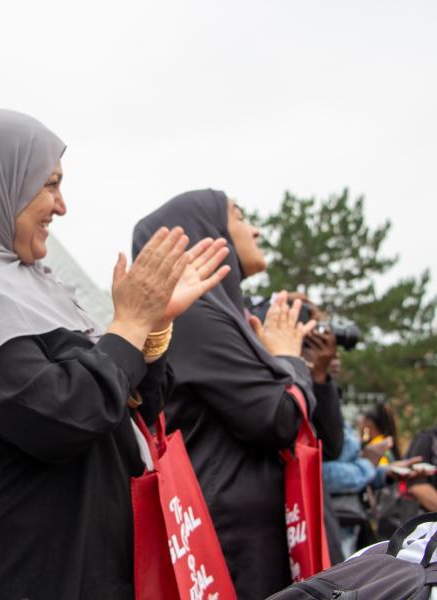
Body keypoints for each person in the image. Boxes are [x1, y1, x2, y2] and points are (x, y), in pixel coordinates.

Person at [0, 109, 230, 599]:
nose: (61, 206)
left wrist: (153, 324)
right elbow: (62, 414)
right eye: (48, 184)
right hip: (14, 570)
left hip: (80, 562)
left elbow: (131, 406)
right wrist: (127, 323)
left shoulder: (36, 286)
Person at [133, 190, 318, 600]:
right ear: (205, 233)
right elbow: (277, 418)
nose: (254, 228)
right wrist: (291, 361)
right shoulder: (196, 314)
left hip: (238, 529)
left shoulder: (221, 313)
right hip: (227, 540)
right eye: (238, 214)